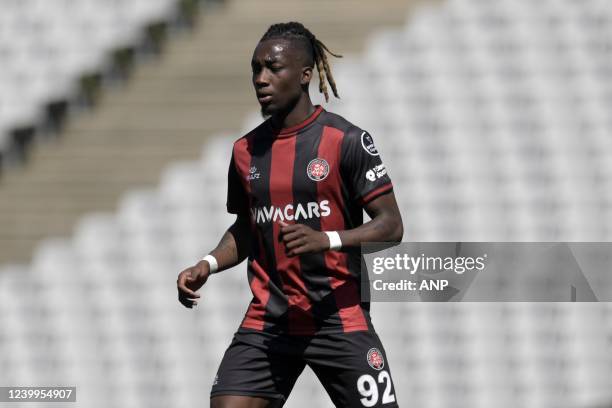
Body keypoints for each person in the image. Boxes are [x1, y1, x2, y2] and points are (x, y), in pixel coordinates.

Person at [177, 21, 403, 408]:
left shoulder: (346, 141)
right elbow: (248, 227)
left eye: (273, 68)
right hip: (269, 320)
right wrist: (208, 263)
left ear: (304, 75)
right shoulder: (245, 151)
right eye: (255, 69)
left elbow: (391, 226)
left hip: (338, 317)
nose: (261, 79)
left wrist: (327, 240)